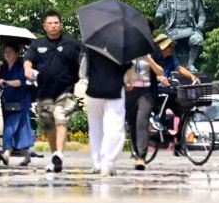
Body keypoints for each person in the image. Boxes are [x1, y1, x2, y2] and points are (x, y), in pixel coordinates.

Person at [24, 10, 80, 173]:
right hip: (44, 93)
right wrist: (27, 68)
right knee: (48, 124)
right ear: (44, 26)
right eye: (50, 23)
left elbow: (79, 66)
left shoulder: (70, 44)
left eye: (56, 23)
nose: (53, 26)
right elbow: (28, 59)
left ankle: (59, 154)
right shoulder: (37, 44)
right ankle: (55, 155)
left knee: (60, 118)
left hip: (65, 91)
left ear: (61, 25)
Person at [85, 48, 131, 176]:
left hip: (94, 89)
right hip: (114, 89)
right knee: (114, 127)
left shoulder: (92, 45)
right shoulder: (122, 46)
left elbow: (86, 68)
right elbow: (127, 67)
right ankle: (107, 163)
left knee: (95, 129)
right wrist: (130, 80)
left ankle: (97, 164)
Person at [0, 44, 33, 166]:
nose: (7, 54)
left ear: (17, 53)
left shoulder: (21, 66)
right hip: (7, 103)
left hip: (20, 102)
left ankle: (6, 153)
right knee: (20, 131)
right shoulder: (3, 68)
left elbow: (21, 82)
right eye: (5, 52)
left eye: (10, 51)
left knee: (9, 128)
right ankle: (26, 156)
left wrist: (6, 82)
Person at [125, 54, 163, 171]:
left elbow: (160, 72)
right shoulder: (127, 52)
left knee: (141, 121)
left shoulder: (150, 52)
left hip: (146, 93)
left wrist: (149, 59)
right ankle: (136, 153)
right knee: (132, 124)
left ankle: (142, 156)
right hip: (130, 92)